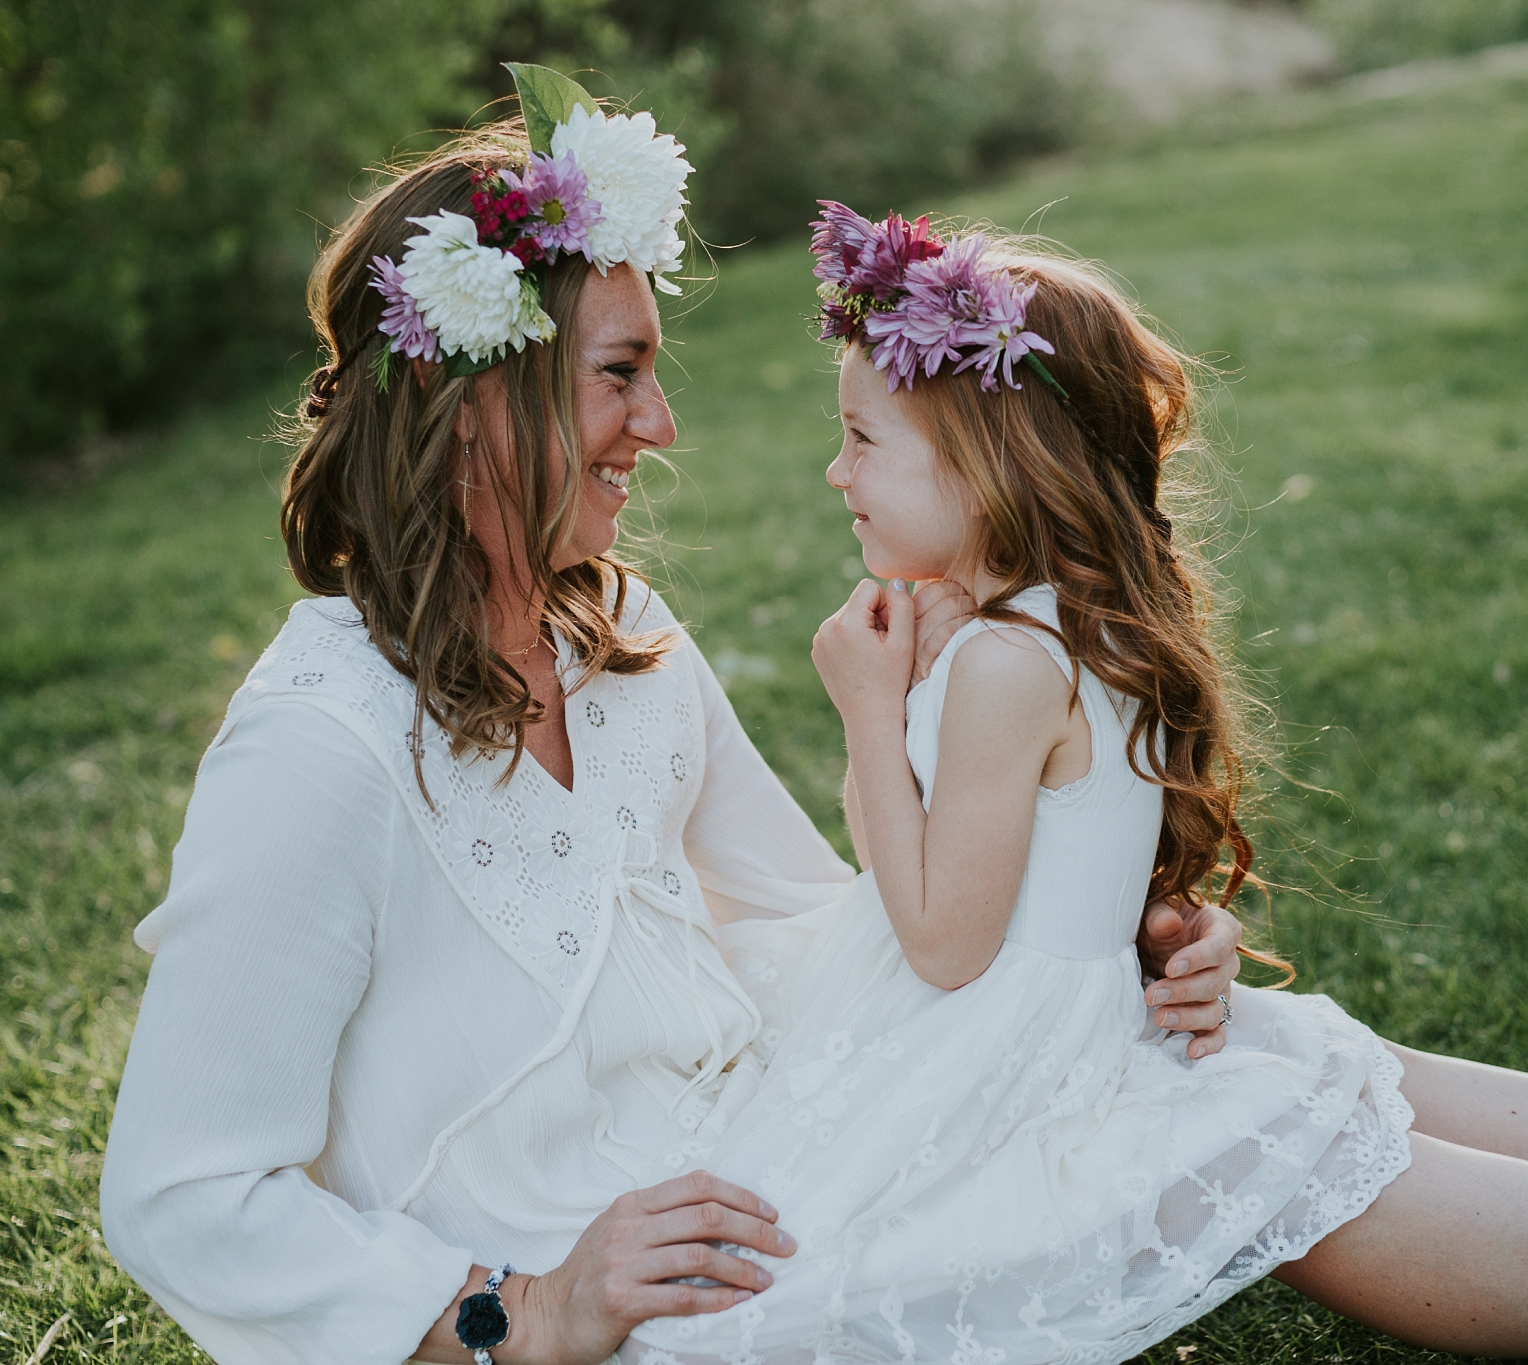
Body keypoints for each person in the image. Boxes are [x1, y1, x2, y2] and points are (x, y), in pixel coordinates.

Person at [98, 72, 1245, 1365]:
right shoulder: (320, 747)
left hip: (773, 1178)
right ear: (481, 403)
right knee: (1260, 1115)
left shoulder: (620, 634)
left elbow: (820, 925)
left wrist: (1091, 934)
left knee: (1259, 1068)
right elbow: (179, 1196)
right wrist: (523, 1311)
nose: (662, 422)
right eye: (620, 374)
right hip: (629, 1299)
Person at [601, 202, 1528, 1363]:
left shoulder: (999, 662)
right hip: (1063, 1001)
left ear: (988, 467)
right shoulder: (1046, 623)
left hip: (1002, 1050)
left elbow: (939, 942)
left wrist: (869, 718)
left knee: (1296, 1130)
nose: (835, 473)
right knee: (1342, 1087)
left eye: (860, 441)